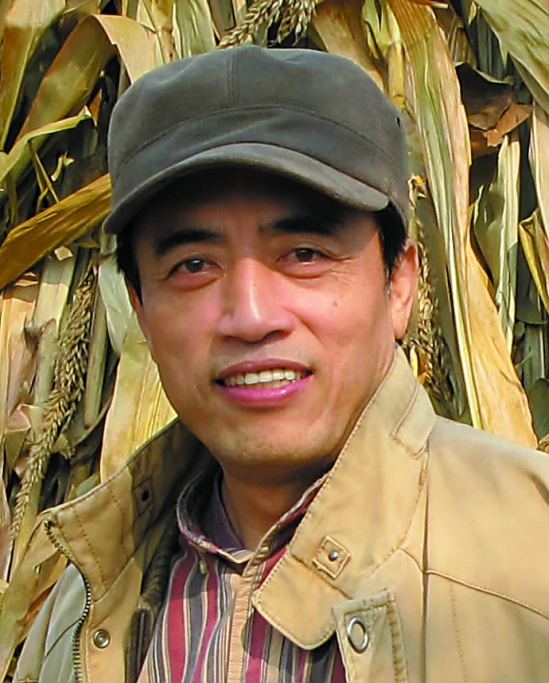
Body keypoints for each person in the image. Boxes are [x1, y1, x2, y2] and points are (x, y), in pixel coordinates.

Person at [13, 45, 548, 683]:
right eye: (193, 265)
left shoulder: (532, 552)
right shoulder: (82, 608)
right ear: (141, 309)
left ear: (400, 284)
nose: (250, 315)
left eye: (304, 253)